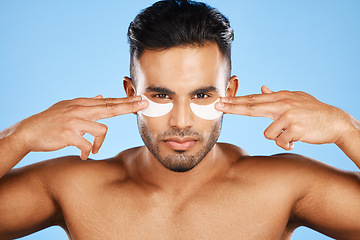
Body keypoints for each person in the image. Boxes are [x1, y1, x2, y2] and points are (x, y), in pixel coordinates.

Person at [0, 0, 359, 239]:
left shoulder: (285, 186)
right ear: (130, 93)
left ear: (230, 93)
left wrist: (346, 130)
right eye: (160, 95)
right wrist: (17, 139)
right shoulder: (74, 187)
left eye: (202, 95)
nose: (180, 120)